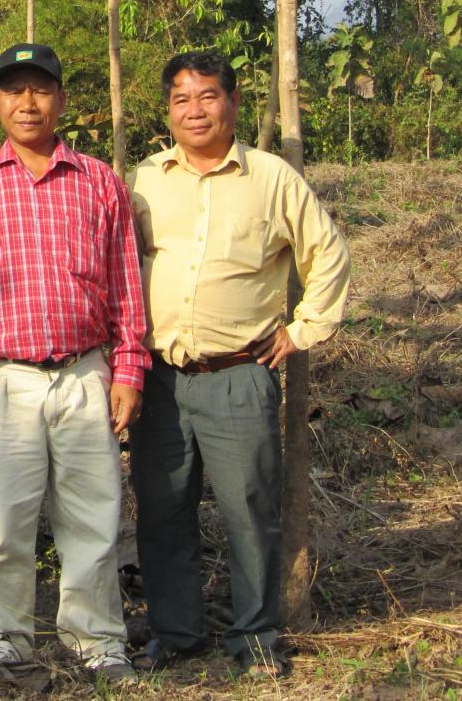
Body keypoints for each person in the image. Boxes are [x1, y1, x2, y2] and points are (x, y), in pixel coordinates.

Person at [0, 43, 150, 683]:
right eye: (15, 90)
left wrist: (129, 369)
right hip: (1, 379)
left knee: (93, 514)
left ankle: (97, 639)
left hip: (85, 373)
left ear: (61, 99)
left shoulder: (100, 181)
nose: (28, 102)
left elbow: (125, 284)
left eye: (41, 89)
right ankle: (2, 638)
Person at [127, 50, 351, 677]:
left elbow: (328, 253)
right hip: (160, 377)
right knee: (163, 508)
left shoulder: (271, 178)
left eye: (207, 96)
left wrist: (303, 329)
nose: (194, 110)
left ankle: (256, 635)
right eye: (181, 99)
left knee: (250, 511)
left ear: (233, 102)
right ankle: (175, 632)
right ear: (167, 110)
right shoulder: (143, 179)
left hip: (239, 376)